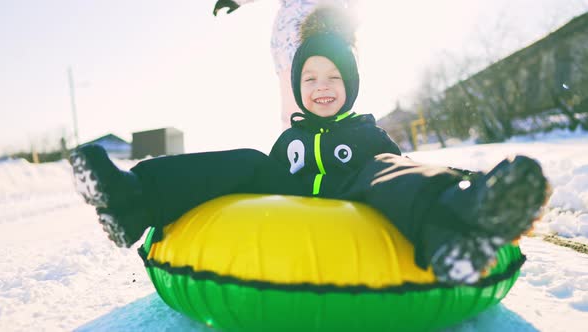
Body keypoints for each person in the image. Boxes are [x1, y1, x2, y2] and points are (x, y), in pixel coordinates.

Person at [70, 27, 549, 285]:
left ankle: (460, 221)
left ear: (352, 85)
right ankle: (130, 198)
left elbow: (406, 173)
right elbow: (258, 176)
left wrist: (464, 178)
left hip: (354, 196)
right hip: (289, 196)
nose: (322, 88)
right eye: (310, 79)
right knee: (246, 160)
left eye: (334, 78)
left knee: (383, 168)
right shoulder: (289, 141)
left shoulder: (368, 135)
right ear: (297, 89)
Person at [213, 0, 357, 131]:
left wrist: (351, 20)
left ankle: (342, 144)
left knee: (333, 95)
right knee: (294, 109)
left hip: (327, 33)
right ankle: (295, 150)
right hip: (288, 44)